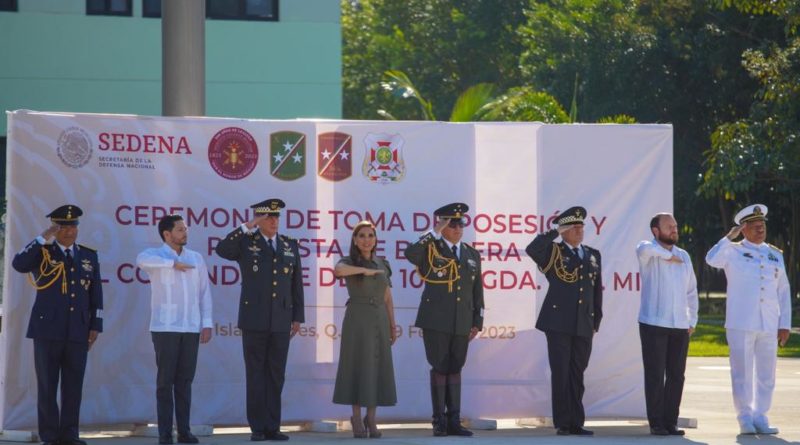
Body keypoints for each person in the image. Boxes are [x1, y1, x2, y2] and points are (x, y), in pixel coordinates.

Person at [12, 205, 103, 445]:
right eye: (63, 226)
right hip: (47, 330)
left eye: (73, 226)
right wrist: (43, 237)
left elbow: (96, 293)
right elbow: (19, 264)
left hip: (78, 330)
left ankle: (70, 434)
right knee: (47, 386)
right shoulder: (43, 251)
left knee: (74, 387)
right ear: (55, 227)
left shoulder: (87, 255)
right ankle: (49, 435)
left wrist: (96, 325)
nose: (69, 231)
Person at [215, 198, 304, 441]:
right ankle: (257, 427)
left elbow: (297, 284)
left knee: (276, 374)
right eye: (269, 217)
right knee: (255, 373)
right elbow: (222, 250)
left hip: (281, 320)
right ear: (259, 219)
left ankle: (273, 426)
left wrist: (297, 317)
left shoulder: (288, 245)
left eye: (277, 217)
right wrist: (249, 225)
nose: (274, 221)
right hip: (254, 319)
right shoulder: (246, 242)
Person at [705, 204, 790, 435]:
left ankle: (760, 416)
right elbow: (711, 259)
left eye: (762, 225)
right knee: (742, 372)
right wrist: (727, 238)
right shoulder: (731, 251)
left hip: (769, 322)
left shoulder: (774, 254)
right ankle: (744, 417)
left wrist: (785, 324)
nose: (760, 229)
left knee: (766, 372)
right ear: (743, 229)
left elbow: (783, 290)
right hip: (741, 321)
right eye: (754, 226)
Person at [404, 202, 484, 437]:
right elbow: (411, 254)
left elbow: (476, 289)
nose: (458, 228)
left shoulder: (471, 253)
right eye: (452, 223)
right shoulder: (431, 247)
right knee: (440, 368)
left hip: (461, 320)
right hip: (436, 320)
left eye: (461, 223)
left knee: (456, 368)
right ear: (443, 224)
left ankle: (454, 421)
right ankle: (439, 421)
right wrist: (434, 232)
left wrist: (477, 320)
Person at [525, 206, 602, 436]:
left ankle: (577, 422)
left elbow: (596, 289)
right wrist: (554, 232)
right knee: (561, 372)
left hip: (583, 323)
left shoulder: (592, 254)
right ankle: (563, 422)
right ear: (565, 230)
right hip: (558, 322)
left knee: (578, 372)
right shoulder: (553, 252)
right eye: (574, 227)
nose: (579, 231)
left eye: (581, 227)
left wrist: (595, 318)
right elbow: (532, 249)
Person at [136, 215, 213, 444]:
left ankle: (184, 431)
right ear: (167, 234)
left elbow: (204, 292)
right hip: (165, 327)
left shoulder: (196, 258)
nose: (185, 233)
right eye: (180, 229)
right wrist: (172, 264)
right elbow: (141, 260)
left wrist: (206, 323)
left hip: (190, 327)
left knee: (184, 382)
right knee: (164, 382)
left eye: (185, 229)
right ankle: (164, 433)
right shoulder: (155, 256)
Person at [332, 221, 398, 438]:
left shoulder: (383, 263)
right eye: (361, 235)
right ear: (355, 239)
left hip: (379, 316)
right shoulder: (349, 260)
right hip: (357, 318)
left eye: (370, 235)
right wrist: (364, 270)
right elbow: (338, 271)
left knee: (376, 366)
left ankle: (371, 418)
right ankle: (356, 417)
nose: (366, 239)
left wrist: (392, 324)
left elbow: (387, 296)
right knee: (357, 365)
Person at [636, 213, 698, 436]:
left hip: (680, 325)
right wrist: (666, 255)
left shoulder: (684, 256)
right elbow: (643, 248)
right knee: (655, 374)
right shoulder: (648, 251)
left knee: (676, 375)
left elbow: (691, 291)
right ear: (655, 230)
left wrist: (692, 320)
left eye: (676, 225)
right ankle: (656, 423)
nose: (674, 229)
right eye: (669, 226)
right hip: (653, 323)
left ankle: (671, 422)